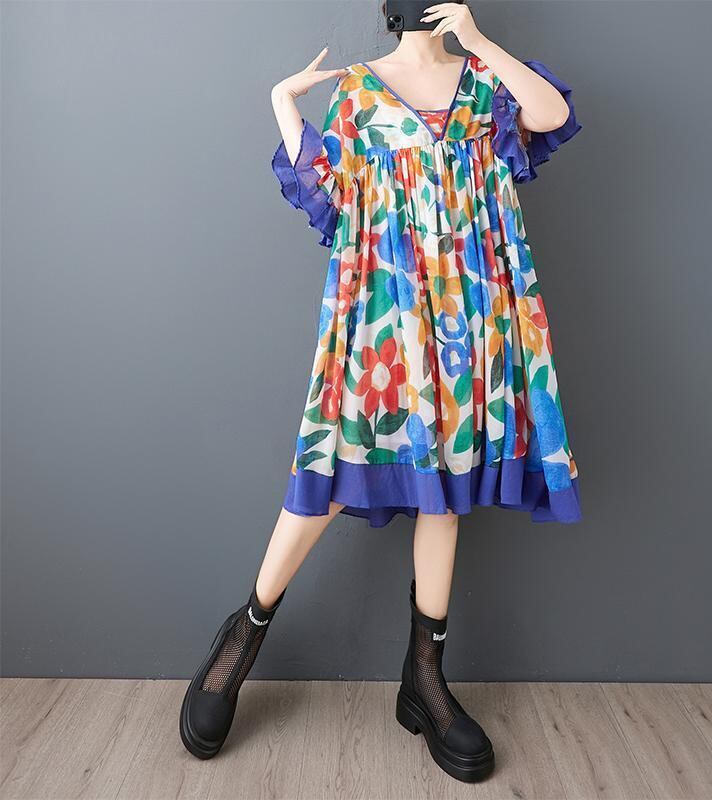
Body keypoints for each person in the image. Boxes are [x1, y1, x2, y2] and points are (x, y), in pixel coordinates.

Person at [180, 1, 582, 783]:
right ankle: (241, 637)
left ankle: (424, 681)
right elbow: (329, 200)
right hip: (383, 311)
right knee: (329, 478)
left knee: (446, 492)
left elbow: (552, 114)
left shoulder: (483, 83)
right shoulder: (361, 92)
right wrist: (282, 103)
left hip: (474, 311)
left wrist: (480, 39)